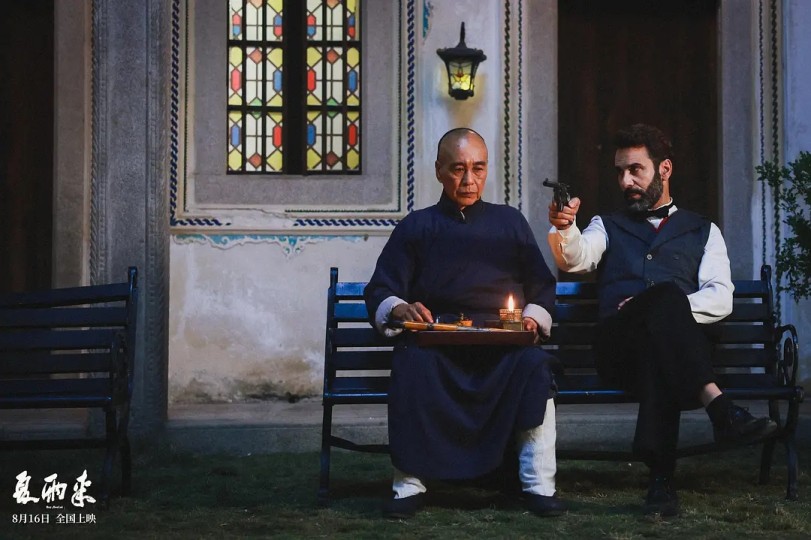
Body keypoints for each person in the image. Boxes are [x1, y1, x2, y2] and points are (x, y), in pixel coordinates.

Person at [546, 123, 777, 517]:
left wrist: (658, 307)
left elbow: (721, 298)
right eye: (620, 172)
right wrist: (565, 227)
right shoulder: (606, 225)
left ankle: (661, 483)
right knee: (666, 306)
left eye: (635, 169)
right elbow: (576, 259)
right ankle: (719, 408)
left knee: (662, 337)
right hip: (619, 353)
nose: (626, 181)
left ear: (664, 169)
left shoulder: (704, 231)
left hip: (670, 358)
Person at [365, 127, 565, 519]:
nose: (469, 179)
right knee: (410, 363)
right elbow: (381, 289)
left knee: (534, 365)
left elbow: (541, 286)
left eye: (478, 168)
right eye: (458, 169)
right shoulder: (417, 226)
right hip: (437, 345)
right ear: (439, 171)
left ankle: (538, 485)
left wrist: (530, 318)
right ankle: (408, 485)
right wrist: (400, 308)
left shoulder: (510, 222)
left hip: (501, 348)